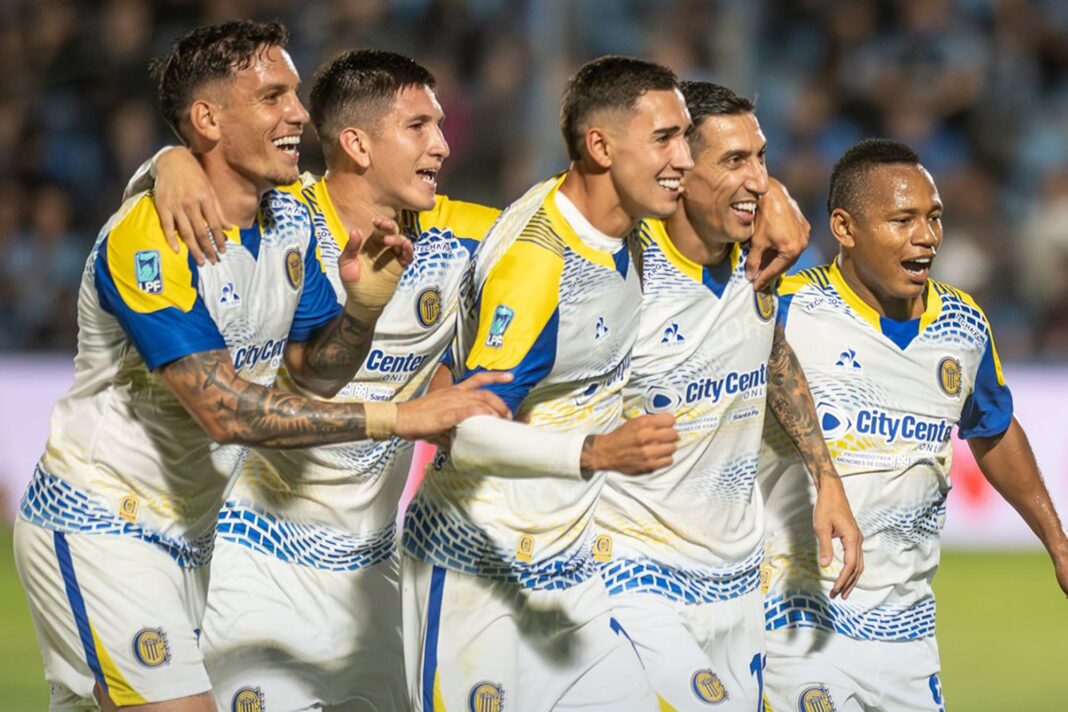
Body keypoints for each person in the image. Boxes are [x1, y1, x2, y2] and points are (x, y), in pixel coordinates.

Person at [137, 48, 685, 712]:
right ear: (357, 144)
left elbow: (567, 217)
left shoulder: (461, 238)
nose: (443, 145)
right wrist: (163, 164)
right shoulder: (281, 218)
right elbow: (187, 197)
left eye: (440, 126)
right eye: (419, 127)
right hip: (259, 569)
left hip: (376, 576)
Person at [12, 22, 507, 712]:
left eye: (295, 94)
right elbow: (226, 412)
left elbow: (314, 373)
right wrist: (403, 416)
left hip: (193, 539)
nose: (299, 114)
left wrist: (364, 309)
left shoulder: (288, 226)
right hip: (102, 520)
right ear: (208, 119)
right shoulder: (152, 236)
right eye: (273, 97)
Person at [400, 55, 693, 711]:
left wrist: (770, 204)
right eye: (665, 139)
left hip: (569, 577)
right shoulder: (539, 266)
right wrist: (597, 452)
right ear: (601, 147)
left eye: (685, 137)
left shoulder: (624, 224)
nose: (685, 159)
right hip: (477, 577)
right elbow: (464, 432)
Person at [759, 138, 1068, 711]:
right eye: (902, 220)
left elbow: (993, 428)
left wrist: (1058, 542)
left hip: (908, 635)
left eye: (934, 217)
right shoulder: (786, 309)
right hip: (796, 622)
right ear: (845, 228)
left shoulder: (962, 324)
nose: (926, 236)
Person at [593, 81, 862, 712]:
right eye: (734, 160)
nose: (758, 180)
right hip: (633, 570)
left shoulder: (759, 260)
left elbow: (772, 352)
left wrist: (827, 479)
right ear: (679, 169)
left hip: (737, 581)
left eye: (762, 158)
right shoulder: (622, 268)